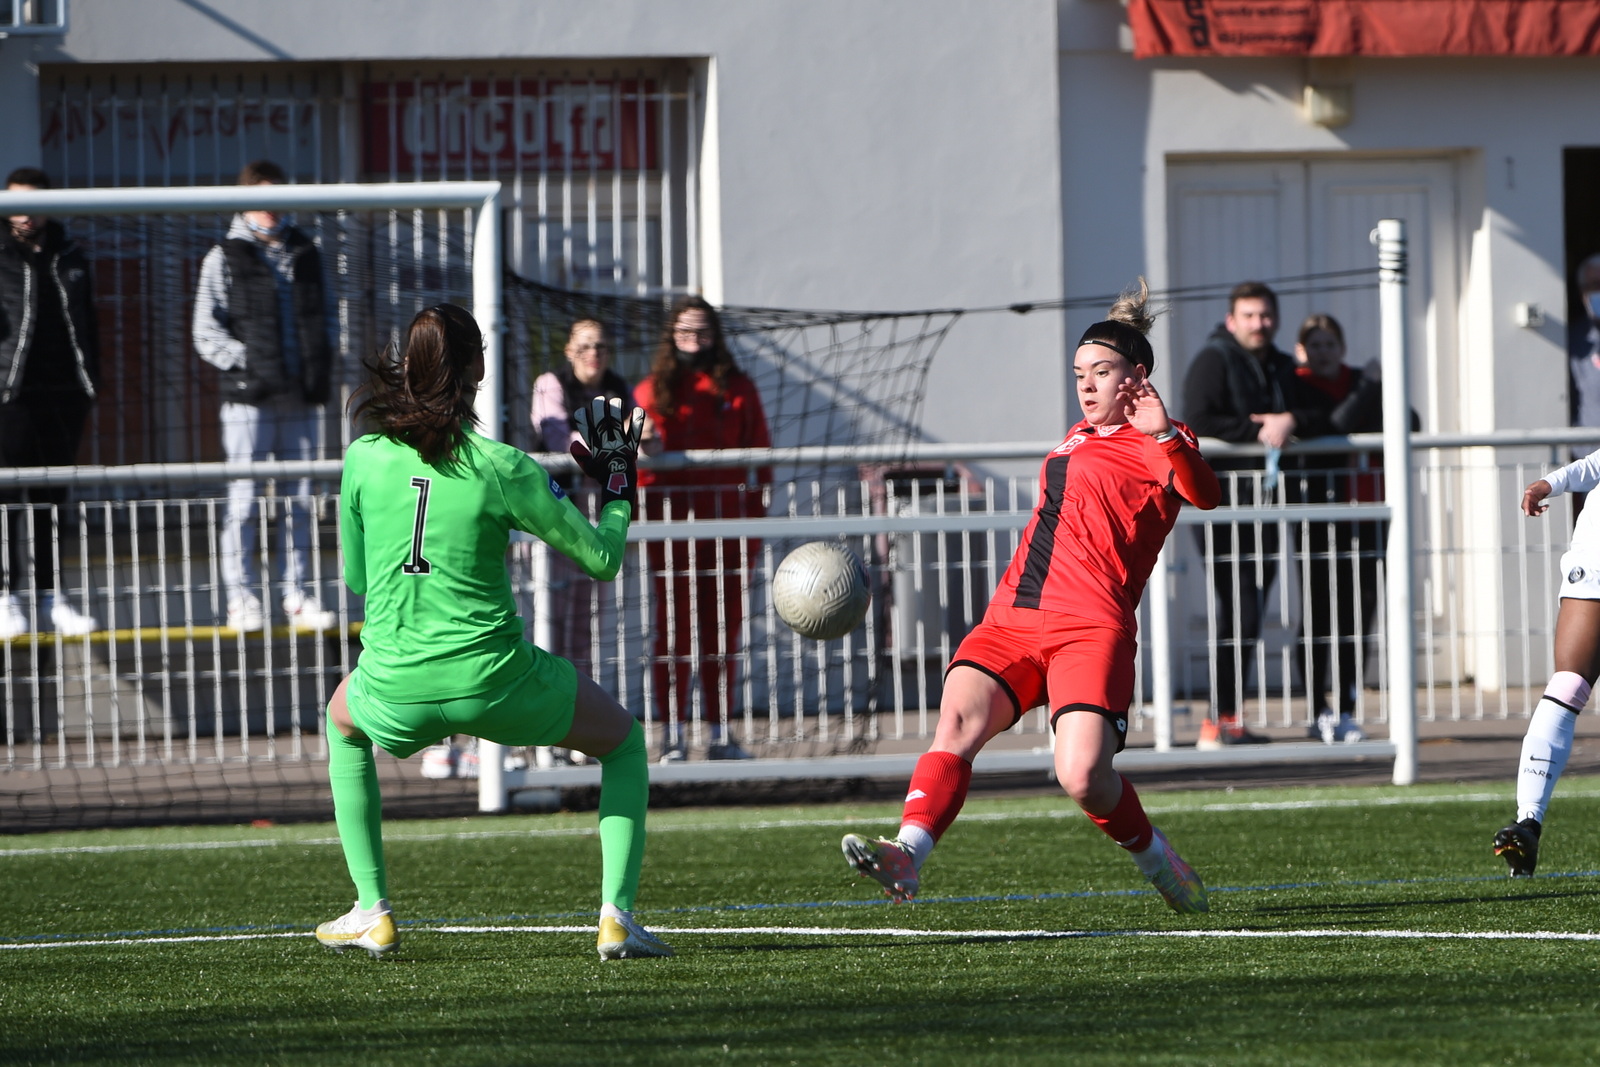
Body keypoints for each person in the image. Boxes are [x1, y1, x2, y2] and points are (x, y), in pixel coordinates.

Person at [838, 281, 1221, 914]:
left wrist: (1167, 435)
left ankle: (1159, 860)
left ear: (1138, 376)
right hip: (1011, 617)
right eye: (1079, 374)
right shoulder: (1077, 435)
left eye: (1102, 372)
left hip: (1089, 626)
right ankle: (907, 853)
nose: (1087, 385)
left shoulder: (1162, 438)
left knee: (1083, 778)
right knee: (954, 727)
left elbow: (1205, 495)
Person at [314, 303, 671, 961]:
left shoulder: (363, 456)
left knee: (342, 722)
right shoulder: (503, 465)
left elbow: (360, 580)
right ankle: (616, 917)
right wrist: (620, 486)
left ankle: (372, 909)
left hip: (392, 683)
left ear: (408, 368)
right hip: (497, 683)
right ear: (478, 369)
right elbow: (601, 559)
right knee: (623, 744)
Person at [1181, 281, 1332, 747]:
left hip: (1265, 505)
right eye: (1249, 316)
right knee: (1239, 606)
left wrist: (1292, 420)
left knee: (1250, 609)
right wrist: (1259, 426)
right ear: (1232, 320)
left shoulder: (1283, 366)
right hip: (1220, 504)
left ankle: (1229, 717)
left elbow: (1322, 411)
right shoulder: (1213, 359)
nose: (1258, 324)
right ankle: (1218, 720)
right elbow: (1198, 420)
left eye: (1265, 315)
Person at [192, 159, 337, 633]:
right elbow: (205, 331)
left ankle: (296, 593)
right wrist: (249, 361)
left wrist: (318, 362)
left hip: (301, 398)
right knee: (244, 499)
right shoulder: (224, 255)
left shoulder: (307, 252)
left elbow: (327, 319)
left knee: (300, 498)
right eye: (262, 196)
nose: (271, 208)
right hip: (247, 400)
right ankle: (241, 598)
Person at [632, 296, 772, 762]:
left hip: (728, 528)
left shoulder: (739, 388)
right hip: (669, 529)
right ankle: (671, 734)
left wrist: (751, 518)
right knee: (672, 629)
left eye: (704, 332)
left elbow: (761, 457)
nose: (695, 342)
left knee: (723, 629)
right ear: (672, 337)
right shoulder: (652, 391)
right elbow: (635, 464)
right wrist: (647, 449)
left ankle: (718, 732)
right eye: (686, 332)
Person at [0, 166, 101, 638]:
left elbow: (90, 326)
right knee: (7, 499)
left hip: (63, 396)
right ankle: (8, 595)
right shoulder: (0, 255)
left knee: (52, 497)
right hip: (10, 394)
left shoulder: (70, 255)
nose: (25, 213)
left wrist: (89, 386)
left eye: (33, 202)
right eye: (15, 202)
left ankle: (51, 594)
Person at [1491, 453, 1600, 877]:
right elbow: (1593, 465)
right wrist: (1546, 485)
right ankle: (1528, 823)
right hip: (1594, 565)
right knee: (1567, 686)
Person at [530, 318, 633, 675]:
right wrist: (613, 439)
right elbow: (563, 442)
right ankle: (547, 701)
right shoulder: (550, 384)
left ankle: (579, 702)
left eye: (601, 346)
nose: (594, 354)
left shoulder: (618, 388)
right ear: (569, 350)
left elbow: (637, 438)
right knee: (551, 615)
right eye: (585, 346)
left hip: (598, 515)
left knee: (585, 619)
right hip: (556, 513)